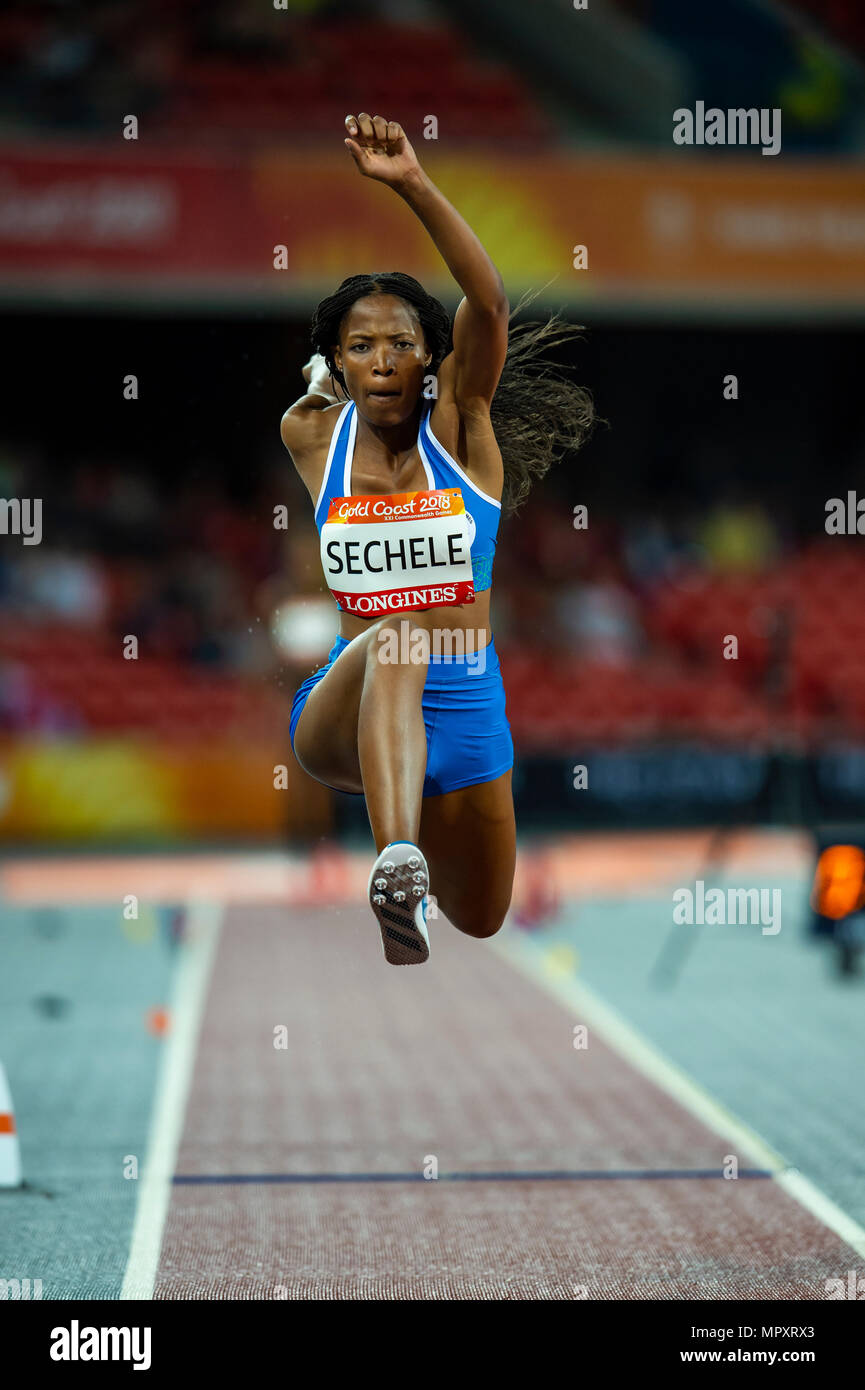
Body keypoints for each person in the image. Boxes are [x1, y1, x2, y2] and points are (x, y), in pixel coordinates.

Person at [280, 113, 593, 965]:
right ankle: (395, 862)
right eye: (359, 347)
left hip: (465, 712)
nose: (382, 360)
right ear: (338, 365)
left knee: (485, 919)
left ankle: (416, 877)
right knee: (397, 637)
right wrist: (320, 385)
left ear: (431, 361)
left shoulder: (462, 435)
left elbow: (487, 304)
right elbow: (315, 406)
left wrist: (413, 183)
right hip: (347, 712)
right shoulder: (314, 440)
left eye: (401, 344)